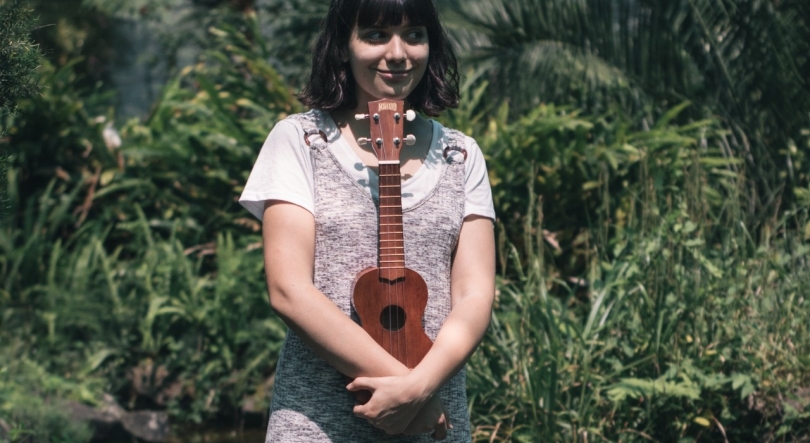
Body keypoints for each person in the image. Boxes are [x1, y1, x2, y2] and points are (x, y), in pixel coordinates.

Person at [239, 0, 495, 441]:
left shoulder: (460, 156)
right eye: (376, 35)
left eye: (414, 35)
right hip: (318, 423)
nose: (397, 53)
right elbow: (289, 291)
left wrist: (418, 388)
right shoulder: (301, 141)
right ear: (343, 45)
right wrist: (412, 393)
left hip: (433, 421)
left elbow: (474, 296)